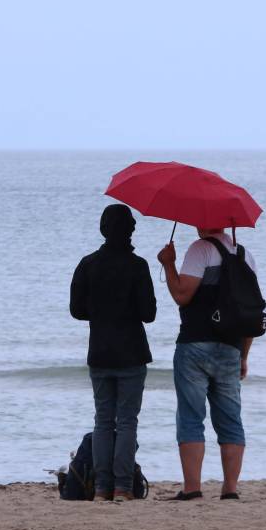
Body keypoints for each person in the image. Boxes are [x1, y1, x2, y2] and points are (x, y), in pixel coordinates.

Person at [157, 227, 257, 501]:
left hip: (195, 344)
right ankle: (230, 489)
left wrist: (168, 264)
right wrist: (244, 355)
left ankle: (192, 488)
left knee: (191, 416)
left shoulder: (199, 249)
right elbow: (250, 312)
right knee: (230, 419)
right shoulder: (246, 256)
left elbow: (182, 295)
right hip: (231, 347)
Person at [70, 204, 157, 501]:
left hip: (100, 352)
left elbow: (76, 310)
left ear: (103, 230)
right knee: (128, 420)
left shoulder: (88, 264)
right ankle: (122, 487)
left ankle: (101, 487)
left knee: (103, 420)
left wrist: (101, 311)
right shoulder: (138, 266)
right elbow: (149, 314)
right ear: (130, 230)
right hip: (132, 352)